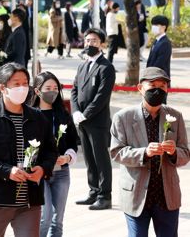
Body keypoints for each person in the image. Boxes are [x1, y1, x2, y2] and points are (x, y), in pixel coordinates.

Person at [0, 62, 58, 237]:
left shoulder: (37, 118)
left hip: (29, 201)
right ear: (3, 87)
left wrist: (43, 169)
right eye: (16, 84)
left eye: (25, 83)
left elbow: (51, 151)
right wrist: (7, 171)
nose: (22, 88)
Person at [110, 67, 189, 237]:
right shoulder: (123, 117)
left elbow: (185, 154)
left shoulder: (175, 116)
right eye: (152, 85)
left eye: (162, 86)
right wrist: (144, 153)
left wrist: (174, 152)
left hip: (167, 195)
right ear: (140, 88)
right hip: (136, 194)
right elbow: (116, 152)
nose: (157, 90)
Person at [71, 28, 116, 210]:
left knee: (101, 159)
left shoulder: (106, 67)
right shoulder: (82, 65)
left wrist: (86, 114)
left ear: (102, 44)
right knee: (89, 158)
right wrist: (75, 111)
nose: (90, 44)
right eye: (88, 40)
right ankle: (93, 191)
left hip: (97, 121)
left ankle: (105, 195)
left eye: (95, 41)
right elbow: (74, 90)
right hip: (81, 121)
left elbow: (102, 96)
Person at [30, 72, 79, 237]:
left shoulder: (63, 114)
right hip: (40, 173)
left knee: (57, 220)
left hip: (61, 173)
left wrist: (68, 157)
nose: (52, 91)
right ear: (37, 91)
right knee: (45, 217)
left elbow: (73, 143)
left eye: (55, 88)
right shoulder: (29, 115)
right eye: (48, 88)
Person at [146, 15, 172, 79]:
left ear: (164, 27)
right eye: (153, 25)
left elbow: (160, 63)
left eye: (156, 25)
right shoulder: (156, 41)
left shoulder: (165, 43)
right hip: (152, 77)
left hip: (160, 79)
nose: (153, 27)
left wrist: (150, 74)